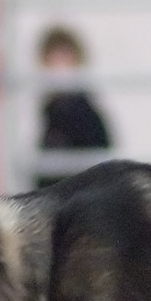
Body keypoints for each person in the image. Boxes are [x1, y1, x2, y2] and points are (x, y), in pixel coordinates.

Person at [34, 24, 113, 188]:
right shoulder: (51, 111)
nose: (59, 67)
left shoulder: (84, 113)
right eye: (53, 59)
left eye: (65, 57)